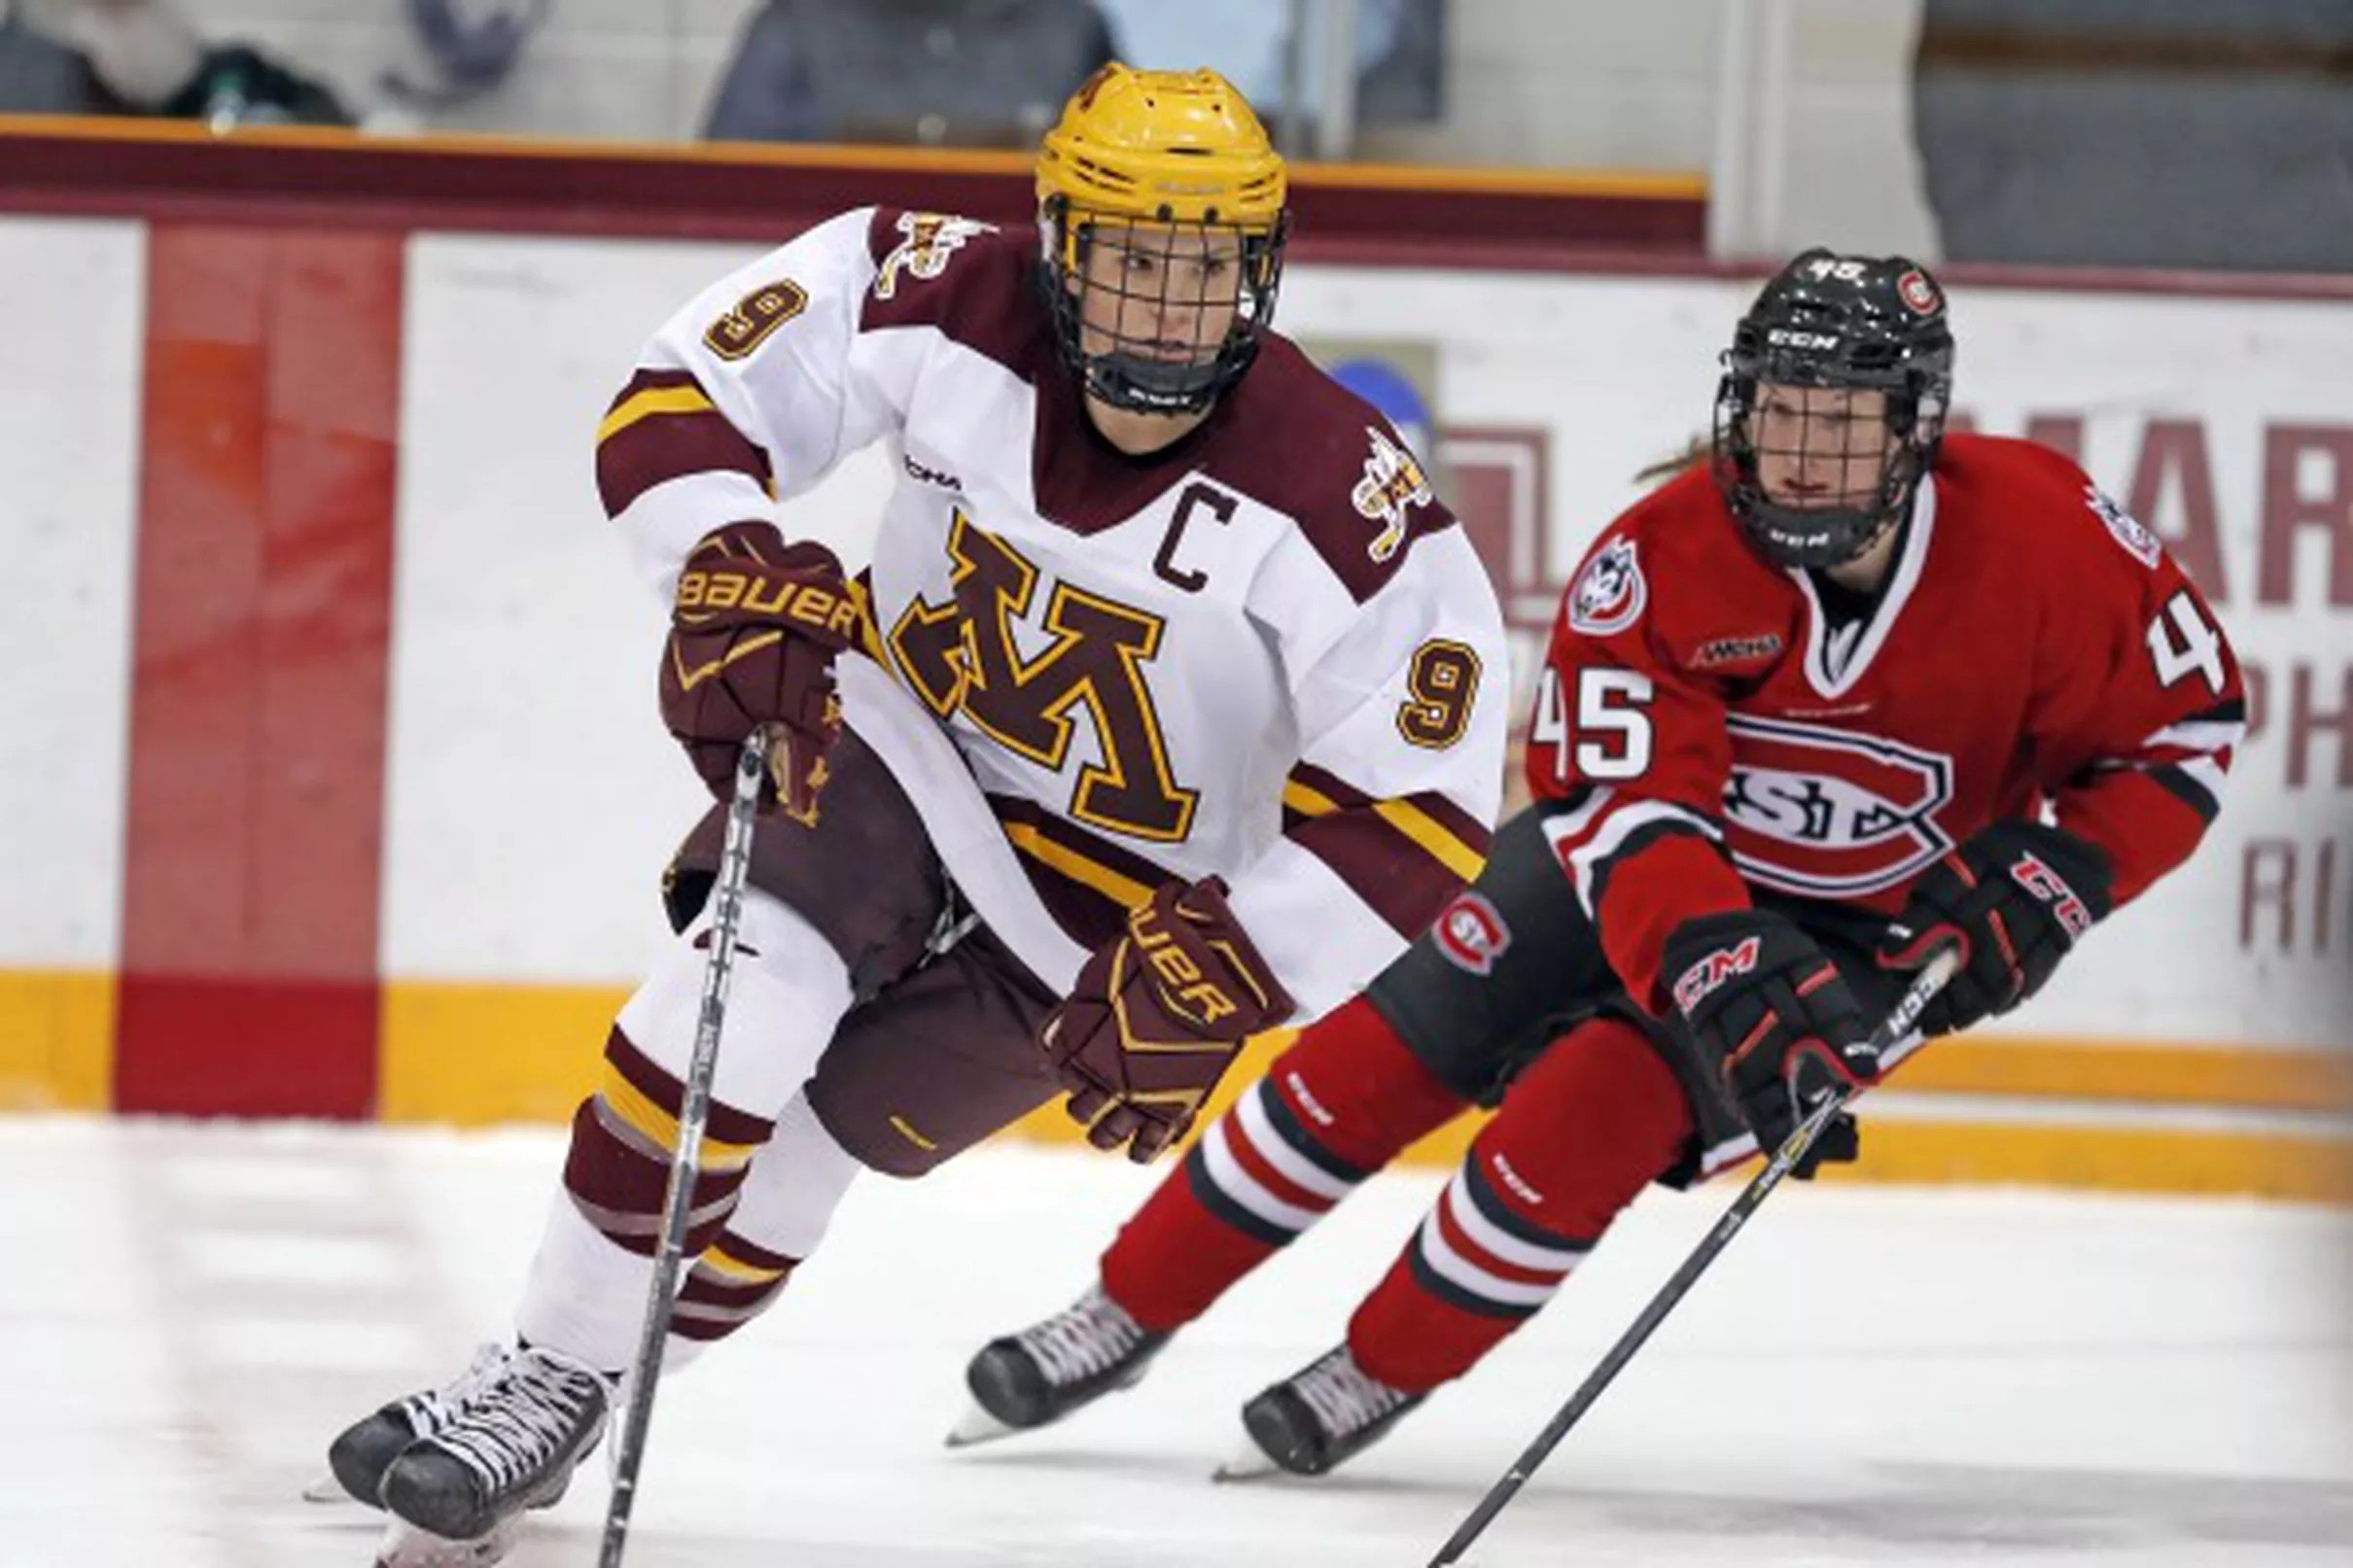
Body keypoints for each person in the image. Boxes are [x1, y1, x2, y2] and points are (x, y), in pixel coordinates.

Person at [322, 60, 1508, 1563]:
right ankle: (541, 1372)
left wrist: (1244, 966)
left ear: (1263, 274)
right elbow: (685, 389)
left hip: (1112, 911)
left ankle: (573, 1390)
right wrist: (724, 558)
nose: (1161, 312)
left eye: (1202, 272)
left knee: (810, 1159)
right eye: (1130, 261)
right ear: (1058, 243)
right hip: (895, 748)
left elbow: (1423, 807)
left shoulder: (1346, 494)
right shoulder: (933, 286)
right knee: (738, 993)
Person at [959, 249, 2246, 1479]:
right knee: (1370, 1057)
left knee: (1588, 1116)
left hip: (1872, 939)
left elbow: (2185, 728)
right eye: (1778, 412)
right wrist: (1714, 957)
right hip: (1628, 880)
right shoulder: (1663, 557)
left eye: (1841, 423)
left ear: (1918, 430)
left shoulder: (2049, 541)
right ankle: (1121, 1308)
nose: (1796, 457)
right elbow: (1626, 808)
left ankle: (1378, 1366)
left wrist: (2058, 872)